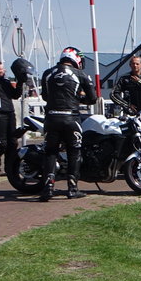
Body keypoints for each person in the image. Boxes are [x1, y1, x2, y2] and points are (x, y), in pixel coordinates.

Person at [39, 46, 97, 201]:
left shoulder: (47, 73)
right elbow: (92, 99)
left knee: (50, 152)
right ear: (76, 58)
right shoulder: (81, 74)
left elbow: (45, 96)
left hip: (51, 118)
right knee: (74, 152)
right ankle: (72, 188)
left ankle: (47, 188)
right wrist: (78, 97)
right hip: (71, 118)